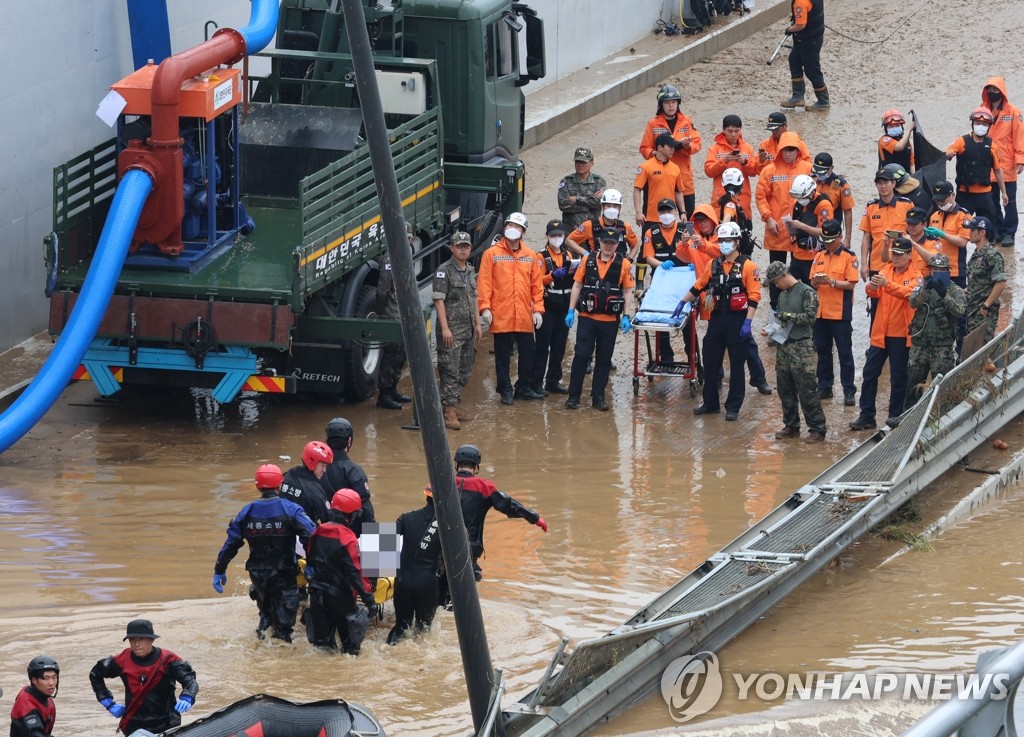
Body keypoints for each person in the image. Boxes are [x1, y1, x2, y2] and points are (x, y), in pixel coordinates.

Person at [214, 464, 316, 641]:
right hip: (284, 575)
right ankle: (281, 664)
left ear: (258, 486)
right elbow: (312, 536)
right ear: (280, 485)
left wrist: (219, 569)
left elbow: (231, 543)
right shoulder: (290, 509)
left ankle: (260, 654)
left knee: (266, 619)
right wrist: (313, 564)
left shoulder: (246, 512)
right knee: (283, 631)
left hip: (258, 577)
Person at [673, 222, 762, 421]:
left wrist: (748, 323)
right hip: (717, 319)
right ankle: (710, 403)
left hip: (737, 320)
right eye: (721, 240)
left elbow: (754, 297)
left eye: (728, 240)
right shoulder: (713, 265)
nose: (724, 244)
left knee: (737, 364)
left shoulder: (749, 266)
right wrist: (682, 302)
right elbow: (699, 286)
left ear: (737, 241)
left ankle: (733, 406)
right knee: (711, 360)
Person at [849, 237, 922, 430]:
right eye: (894, 254)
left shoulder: (917, 274)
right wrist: (873, 286)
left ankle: (894, 416)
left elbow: (910, 293)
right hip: (880, 333)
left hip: (900, 335)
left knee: (898, 378)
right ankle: (866, 416)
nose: (896, 258)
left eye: (899, 255)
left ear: (909, 255)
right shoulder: (886, 270)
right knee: (869, 373)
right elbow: (874, 293)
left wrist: (887, 284)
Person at [451, 444, 547, 582]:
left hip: (441, 545)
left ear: (456, 464)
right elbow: (510, 506)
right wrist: (535, 518)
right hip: (469, 550)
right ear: (476, 466)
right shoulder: (484, 487)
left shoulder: (440, 484)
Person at [564, 227, 636, 411]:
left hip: (610, 321)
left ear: (617, 244)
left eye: (612, 243)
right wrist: (571, 310)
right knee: (581, 356)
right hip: (587, 318)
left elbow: (628, 291)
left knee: (604, 359)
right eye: (605, 242)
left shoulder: (624, 264)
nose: (608, 246)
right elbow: (578, 285)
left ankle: (598, 396)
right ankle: (574, 396)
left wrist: (626, 316)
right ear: (599, 242)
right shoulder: (587, 260)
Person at [477, 212, 545, 405]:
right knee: (502, 356)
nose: (512, 230)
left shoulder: (530, 256)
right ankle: (505, 389)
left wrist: (538, 310)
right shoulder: (491, 254)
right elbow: (484, 283)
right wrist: (485, 308)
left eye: (517, 227)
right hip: (501, 314)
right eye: (510, 226)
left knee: (528, 352)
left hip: (523, 314)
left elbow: (536, 286)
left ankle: (523, 387)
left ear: (523, 231)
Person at [89, 620, 199, 736]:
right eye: (132, 640)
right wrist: (108, 702)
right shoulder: (122, 660)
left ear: (151, 640)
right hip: (133, 727)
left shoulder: (168, 660)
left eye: (141, 639)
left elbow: (190, 681)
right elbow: (95, 674)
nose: (136, 644)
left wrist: (187, 697)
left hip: (166, 725)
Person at [305, 489, 377, 655]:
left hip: (317, 594)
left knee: (322, 648)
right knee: (350, 648)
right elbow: (356, 571)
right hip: (340, 597)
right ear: (351, 514)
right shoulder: (348, 538)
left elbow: (310, 559)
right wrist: (369, 599)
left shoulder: (318, 531)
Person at [763, 262, 825, 443]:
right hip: (784, 347)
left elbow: (809, 318)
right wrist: (770, 329)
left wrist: (786, 316)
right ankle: (791, 425)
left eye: (776, 281)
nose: (775, 285)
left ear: (784, 276)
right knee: (785, 388)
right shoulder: (782, 296)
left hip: (801, 347)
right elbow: (781, 322)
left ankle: (817, 428)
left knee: (807, 389)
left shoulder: (807, 292)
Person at [756, 131, 813, 309]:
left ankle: (805, 309)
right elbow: (760, 197)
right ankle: (775, 310)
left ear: (798, 150)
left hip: (801, 232)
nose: (788, 153)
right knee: (776, 274)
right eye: (785, 149)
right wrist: (768, 219)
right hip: (777, 230)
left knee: (804, 274)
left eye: (792, 149)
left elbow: (816, 196)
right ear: (780, 150)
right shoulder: (769, 170)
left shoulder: (807, 168)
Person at [432, 231, 482, 429]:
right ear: (452, 248)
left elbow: (474, 298)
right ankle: (448, 410)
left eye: (466, 246)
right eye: (459, 246)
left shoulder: (470, 270)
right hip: (451, 331)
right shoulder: (444, 270)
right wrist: (445, 328)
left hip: (468, 329)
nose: (463, 249)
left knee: (465, 369)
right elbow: (438, 300)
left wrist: (478, 324)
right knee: (449, 370)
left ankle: (453, 402)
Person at [905, 253, 966, 405]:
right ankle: (908, 420)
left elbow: (959, 311)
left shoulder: (955, 291)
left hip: (942, 349)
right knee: (913, 388)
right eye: (934, 269)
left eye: (941, 270)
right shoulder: (923, 287)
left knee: (944, 391)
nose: (936, 272)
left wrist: (944, 294)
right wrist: (926, 288)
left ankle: (943, 420)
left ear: (948, 272)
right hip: (920, 347)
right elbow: (913, 302)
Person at [387, 485, 443, 645]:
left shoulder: (406, 518)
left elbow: (379, 546)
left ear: (426, 497)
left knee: (401, 627)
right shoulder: (449, 526)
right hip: (427, 584)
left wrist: (372, 584)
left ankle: (389, 651)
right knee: (423, 630)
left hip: (403, 582)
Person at [810, 219, 859, 405]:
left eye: (831, 240)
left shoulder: (849, 257)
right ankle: (825, 387)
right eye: (825, 240)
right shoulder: (819, 255)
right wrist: (816, 281)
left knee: (845, 353)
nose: (828, 244)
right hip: (821, 313)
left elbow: (852, 284)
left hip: (840, 313)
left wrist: (831, 282)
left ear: (840, 237)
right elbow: (812, 283)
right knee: (822, 353)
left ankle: (849, 390)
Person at [639, 84, 703, 217]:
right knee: (658, 218)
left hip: (683, 177)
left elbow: (697, 143)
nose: (671, 106)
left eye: (674, 102)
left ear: (678, 103)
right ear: (661, 104)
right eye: (667, 102)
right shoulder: (653, 124)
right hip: (660, 178)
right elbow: (644, 148)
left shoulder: (686, 122)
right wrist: (657, 153)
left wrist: (687, 146)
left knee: (688, 219)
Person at [858, 167, 914, 318]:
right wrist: (864, 264)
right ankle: (876, 340)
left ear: (894, 184)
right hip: (877, 265)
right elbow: (866, 237)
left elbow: (914, 234)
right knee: (876, 308)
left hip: (900, 267)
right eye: (879, 183)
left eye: (886, 182)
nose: (883, 186)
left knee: (901, 306)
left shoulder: (907, 205)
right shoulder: (871, 207)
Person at [375, 226, 416, 410]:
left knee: (401, 355)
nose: (406, 241)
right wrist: (380, 312)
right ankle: (384, 394)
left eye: (408, 238)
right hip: (392, 314)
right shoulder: (389, 260)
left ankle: (393, 390)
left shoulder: (406, 258)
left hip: (404, 315)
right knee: (391, 355)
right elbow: (382, 290)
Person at [534, 220, 576, 394]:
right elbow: (535, 281)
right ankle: (536, 383)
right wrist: (551, 276)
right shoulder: (541, 257)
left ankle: (553, 380)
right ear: (547, 236)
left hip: (564, 307)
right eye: (553, 235)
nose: (556, 238)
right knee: (542, 347)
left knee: (559, 347)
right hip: (547, 308)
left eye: (559, 235)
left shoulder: (569, 255)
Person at [945, 107, 1007, 225]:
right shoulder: (961, 141)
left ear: (989, 126)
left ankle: (988, 243)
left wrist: (1004, 192)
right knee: (959, 225)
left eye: (984, 124)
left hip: (985, 194)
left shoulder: (992, 146)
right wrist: (948, 154)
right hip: (964, 194)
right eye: (978, 123)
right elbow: (946, 154)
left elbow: (998, 171)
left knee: (988, 226)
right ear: (972, 123)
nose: (981, 126)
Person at [981, 78, 1024, 247]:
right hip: (987, 164)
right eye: (989, 89)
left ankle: (1009, 232)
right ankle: (997, 229)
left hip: (1007, 165)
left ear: (1001, 91)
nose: (992, 92)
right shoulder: (983, 111)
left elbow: (1019, 138)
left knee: (1010, 201)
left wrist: (1020, 160)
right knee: (991, 201)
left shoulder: (1014, 112)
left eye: (995, 89)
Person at [964, 216, 1008, 354]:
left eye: (972, 230)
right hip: (972, 309)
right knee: (973, 350)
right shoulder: (976, 254)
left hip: (983, 312)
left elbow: (1001, 282)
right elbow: (978, 280)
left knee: (982, 351)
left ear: (982, 232)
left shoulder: (992, 255)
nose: (969, 233)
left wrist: (986, 305)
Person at [322, 418, 374, 534]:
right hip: (351, 534)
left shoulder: (316, 469)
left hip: (325, 533)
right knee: (394, 535)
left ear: (327, 441)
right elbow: (367, 511)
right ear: (349, 441)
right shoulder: (354, 470)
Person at [704, 114, 760, 218]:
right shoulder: (714, 149)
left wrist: (744, 162)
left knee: (744, 230)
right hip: (720, 197)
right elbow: (709, 171)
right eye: (730, 131)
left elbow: (754, 172)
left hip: (742, 197)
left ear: (740, 130)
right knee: (722, 229)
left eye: (736, 131)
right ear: (723, 130)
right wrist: (724, 161)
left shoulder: (747, 148)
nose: (733, 134)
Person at [781, 173, 833, 285]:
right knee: (791, 288)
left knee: (814, 291)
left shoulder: (823, 205)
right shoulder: (797, 203)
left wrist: (801, 226)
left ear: (812, 192)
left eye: (802, 197)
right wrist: (790, 228)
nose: (800, 200)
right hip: (797, 255)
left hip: (815, 257)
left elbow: (824, 232)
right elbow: (795, 231)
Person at [634, 134, 689, 232]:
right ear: (660, 147)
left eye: (674, 147)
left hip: (670, 217)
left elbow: (679, 191)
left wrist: (683, 212)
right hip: (650, 218)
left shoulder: (675, 168)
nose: (673, 149)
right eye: (670, 146)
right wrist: (638, 212)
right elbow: (637, 189)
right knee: (648, 246)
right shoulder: (645, 167)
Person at [780, 0, 828, 111]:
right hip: (812, 36)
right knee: (794, 60)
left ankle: (823, 101)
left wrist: (789, 29)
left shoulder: (800, 2)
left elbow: (800, 25)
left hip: (809, 40)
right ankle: (798, 96)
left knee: (812, 70)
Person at [567, 189, 639, 260]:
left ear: (619, 208)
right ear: (602, 206)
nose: (611, 209)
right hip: (596, 267)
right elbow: (569, 240)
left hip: (619, 268)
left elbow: (635, 244)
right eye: (608, 206)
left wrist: (629, 259)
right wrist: (585, 253)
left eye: (615, 206)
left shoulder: (625, 227)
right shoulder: (590, 225)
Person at [926, 180, 972, 287]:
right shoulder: (934, 216)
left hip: (954, 271)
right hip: (935, 268)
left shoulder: (964, 216)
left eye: (942, 200)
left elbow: (962, 242)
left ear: (953, 195)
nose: (940, 203)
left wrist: (942, 234)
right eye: (937, 200)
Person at [280, 440, 332, 524]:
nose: (324, 470)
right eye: (322, 465)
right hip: (304, 531)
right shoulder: (314, 490)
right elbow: (328, 519)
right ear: (312, 462)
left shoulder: (287, 475)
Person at [812, 152, 855, 249]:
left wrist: (848, 238)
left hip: (831, 234)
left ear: (831, 168)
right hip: (812, 231)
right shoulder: (811, 181)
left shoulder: (841, 185)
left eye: (822, 171)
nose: (819, 174)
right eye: (817, 171)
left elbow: (847, 211)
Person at [557, 146, 607, 230]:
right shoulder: (566, 181)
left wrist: (577, 199)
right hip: (570, 230)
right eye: (578, 162)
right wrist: (588, 205)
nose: (580, 165)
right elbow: (563, 205)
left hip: (592, 229)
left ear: (592, 163)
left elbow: (598, 202)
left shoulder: (599, 181)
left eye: (584, 162)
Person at [10, 656, 59, 737]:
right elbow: (35, 734)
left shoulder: (45, 697)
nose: (51, 683)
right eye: (46, 678)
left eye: (54, 677)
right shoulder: (25, 703)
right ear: (34, 680)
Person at [904, 207, 943, 278]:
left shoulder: (933, 242)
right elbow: (887, 259)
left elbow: (934, 260)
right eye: (909, 224)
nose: (911, 227)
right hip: (905, 282)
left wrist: (913, 243)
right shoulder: (904, 241)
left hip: (924, 284)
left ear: (924, 224)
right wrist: (886, 245)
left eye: (914, 224)